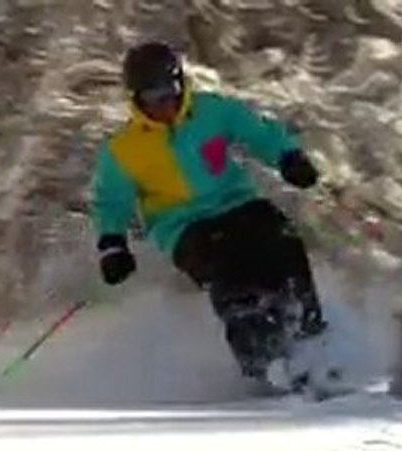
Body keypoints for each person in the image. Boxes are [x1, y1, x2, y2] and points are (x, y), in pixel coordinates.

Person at [91, 40, 326, 382]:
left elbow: (258, 132)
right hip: (184, 226)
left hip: (238, 203)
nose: (165, 105)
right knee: (232, 273)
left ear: (182, 83)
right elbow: (111, 201)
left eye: (170, 90)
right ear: (135, 100)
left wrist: (288, 157)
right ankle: (263, 363)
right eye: (152, 98)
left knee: (283, 245)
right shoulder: (124, 150)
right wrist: (113, 244)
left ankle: (312, 341)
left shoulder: (211, 112)